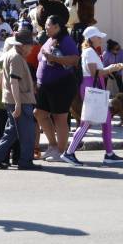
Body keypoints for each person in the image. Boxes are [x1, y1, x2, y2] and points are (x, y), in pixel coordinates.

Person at [63, 27, 123, 165]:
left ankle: (109, 154)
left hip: (93, 87)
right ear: (91, 38)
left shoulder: (90, 51)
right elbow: (94, 73)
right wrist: (111, 68)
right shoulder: (90, 52)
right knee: (87, 123)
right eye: (98, 37)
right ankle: (69, 152)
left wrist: (109, 69)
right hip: (92, 87)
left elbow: (96, 72)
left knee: (105, 121)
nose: (101, 39)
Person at [0, 27, 37, 169]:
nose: (32, 49)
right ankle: (25, 161)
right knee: (27, 133)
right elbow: (14, 82)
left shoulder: (10, 55)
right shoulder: (16, 57)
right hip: (20, 100)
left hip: (12, 99)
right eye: (30, 46)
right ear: (23, 45)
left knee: (12, 131)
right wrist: (18, 104)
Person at [34, 14, 80, 162]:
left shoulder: (66, 40)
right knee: (39, 114)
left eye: (48, 25)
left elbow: (75, 59)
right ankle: (53, 146)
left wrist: (54, 58)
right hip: (44, 86)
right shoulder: (49, 39)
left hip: (61, 85)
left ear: (57, 27)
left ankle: (61, 152)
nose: (45, 27)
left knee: (59, 118)